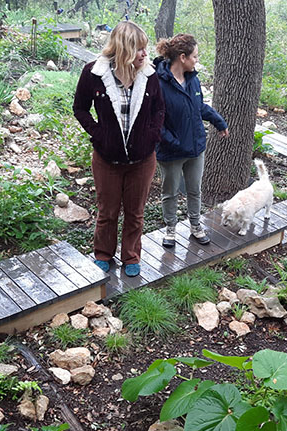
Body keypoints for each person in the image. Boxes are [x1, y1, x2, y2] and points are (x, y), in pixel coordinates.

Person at [72, 21, 165, 277]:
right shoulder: (93, 73)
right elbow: (80, 108)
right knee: (107, 212)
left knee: (135, 214)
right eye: (139, 49)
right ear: (123, 49)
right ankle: (103, 254)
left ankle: (131, 257)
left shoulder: (149, 74)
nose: (145, 55)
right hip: (106, 159)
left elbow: (159, 109)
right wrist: (99, 134)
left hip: (142, 160)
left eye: (145, 49)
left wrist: (152, 135)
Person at [153, 33, 229, 248]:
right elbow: (155, 122)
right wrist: (174, 143)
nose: (197, 60)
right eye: (195, 56)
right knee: (170, 192)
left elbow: (199, 107)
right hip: (171, 151)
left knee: (195, 190)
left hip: (195, 148)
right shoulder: (158, 82)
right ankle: (170, 229)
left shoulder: (192, 79)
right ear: (183, 57)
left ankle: (196, 225)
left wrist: (219, 122)